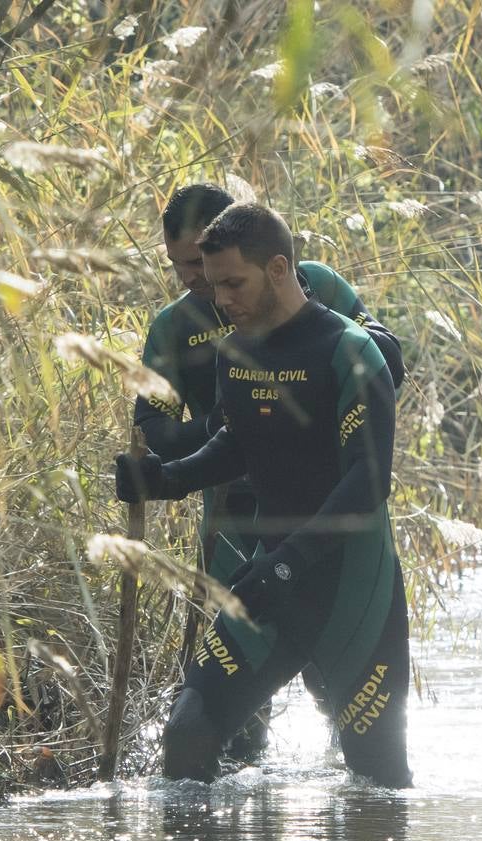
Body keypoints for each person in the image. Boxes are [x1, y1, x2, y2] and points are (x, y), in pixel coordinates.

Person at [118, 202, 413, 788]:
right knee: (188, 735)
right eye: (211, 282)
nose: (220, 298)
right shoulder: (237, 353)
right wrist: (166, 480)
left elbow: (366, 484)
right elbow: (239, 446)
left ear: (278, 269)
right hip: (271, 592)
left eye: (233, 283)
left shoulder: (351, 352)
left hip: (353, 595)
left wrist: (282, 567)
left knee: (378, 783)